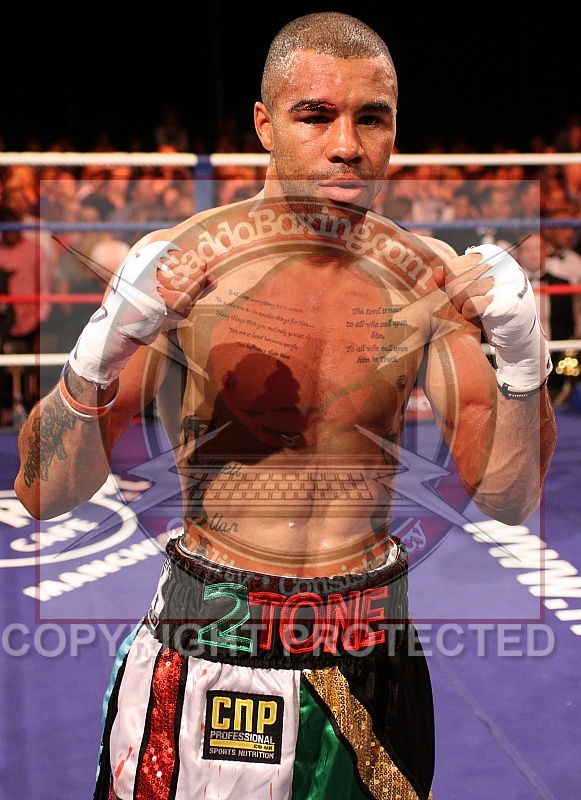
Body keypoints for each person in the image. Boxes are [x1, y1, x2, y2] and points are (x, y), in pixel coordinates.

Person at [14, 13, 557, 800]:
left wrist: (524, 363)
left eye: (371, 119)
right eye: (315, 115)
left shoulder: (429, 280)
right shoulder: (185, 268)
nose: (346, 145)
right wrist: (96, 354)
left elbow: (509, 496)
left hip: (373, 656)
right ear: (265, 125)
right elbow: (42, 492)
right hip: (212, 648)